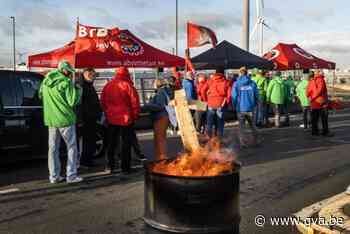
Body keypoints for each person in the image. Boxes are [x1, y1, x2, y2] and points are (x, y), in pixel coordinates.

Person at [39, 60, 83, 184]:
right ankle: (71, 175)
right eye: (69, 72)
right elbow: (73, 101)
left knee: (53, 149)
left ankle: (54, 176)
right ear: (65, 70)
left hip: (51, 120)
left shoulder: (46, 81)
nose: (70, 74)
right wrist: (78, 89)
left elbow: (40, 95)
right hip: (65, 120)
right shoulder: (66, 82)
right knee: (72, 147)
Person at [101, 67, 140, 174]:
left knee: (111, 143)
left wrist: (108, 112)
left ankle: (109, 166)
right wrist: (135, 116)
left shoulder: (108, 85)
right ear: (127, 74)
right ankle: (125, 168)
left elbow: (102, 102)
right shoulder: (128, 85)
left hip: (111, 118)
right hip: (126, 119)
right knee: (125, 144)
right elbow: (135, 102)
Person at [77, 68, 102, 168]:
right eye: (92, 74)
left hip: (91, 116)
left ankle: (88, 160)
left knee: (90, 140)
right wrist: (80, 119)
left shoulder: (88, 85)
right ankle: (85, 161)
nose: (93, 76)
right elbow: (80, 104)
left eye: (94, 75)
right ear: (85, 74)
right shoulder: (83, 86)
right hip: (86, 117)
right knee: (87, 141)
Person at [145, 79, 174, 160]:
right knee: (160, 137)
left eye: (154, 83)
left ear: (157, 84)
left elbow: (160, 106)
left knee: (160, 138)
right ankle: (160, 156)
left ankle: (162, 156)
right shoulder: (164, 91)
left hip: (160, 117)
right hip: (163, 116)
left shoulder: (160, 92)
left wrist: (147, 106)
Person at [232, 67, 259, 143]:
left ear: (240, 74)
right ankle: (256, 140)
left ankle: (242, 142)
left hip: (240, 109)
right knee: (253, 125)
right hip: (251, 107)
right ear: (247, 73)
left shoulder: (236, 84)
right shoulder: (252, 83)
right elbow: (257, 95)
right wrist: (255, 104)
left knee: (241, 126)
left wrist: (234, 106)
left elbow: (234, 96)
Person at [201, 68, 230, 138]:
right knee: (220, 123)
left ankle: (208, 139)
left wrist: (206, 100)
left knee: (209, 123)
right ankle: (218, 140)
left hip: (211, 103)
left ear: (215, 73)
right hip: (221, 104)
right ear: (223, 73)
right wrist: (227, 103)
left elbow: (202, 91)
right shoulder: (226, 82)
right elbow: (229, 95)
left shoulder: (210, 81)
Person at [306, 70, 332, 137]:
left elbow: (307, 92)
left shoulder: (311, 81)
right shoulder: (321, 79)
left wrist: (312, 98)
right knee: (324, 118)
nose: (323, 72)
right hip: (321, 102)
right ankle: (325, 132)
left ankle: (314, 132)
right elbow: (320, 90)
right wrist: (315, 97)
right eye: (321, 71)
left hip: (314, 103)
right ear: (318, 73)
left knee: (314, 119)